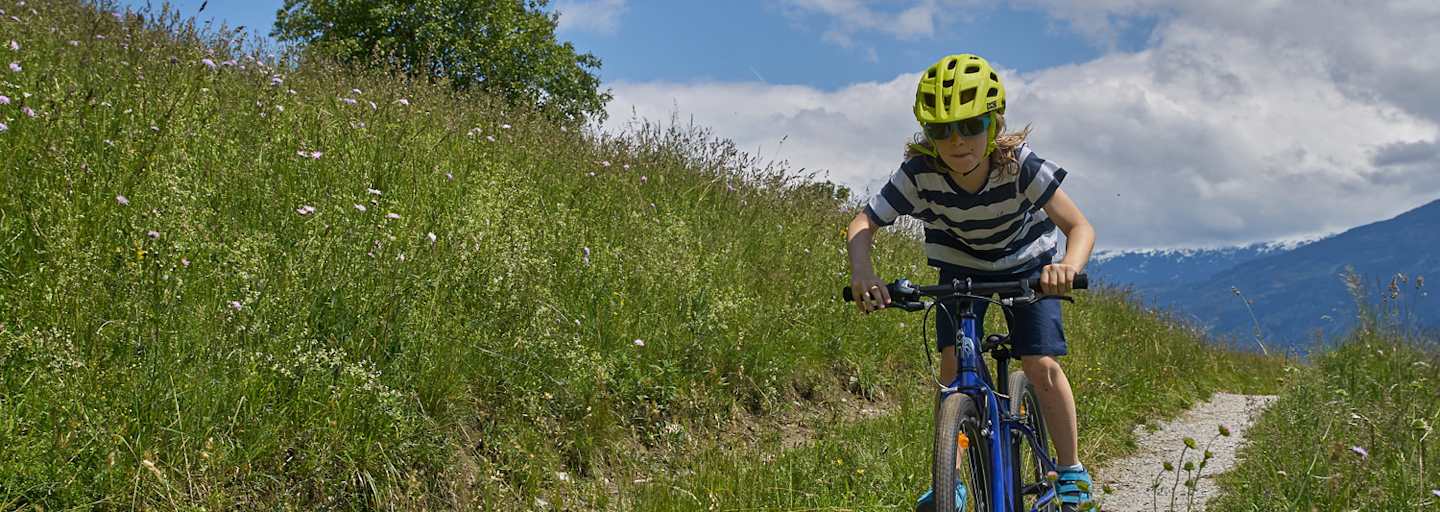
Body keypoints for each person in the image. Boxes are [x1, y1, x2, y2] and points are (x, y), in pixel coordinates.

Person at [845, 53, 1097, 511]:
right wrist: (863, 271)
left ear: (994, 124)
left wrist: (1067, 268)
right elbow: (864, 222)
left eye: (972, 125)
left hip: (1027, 267)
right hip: (960, 269)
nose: (957, 140)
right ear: (927, 134)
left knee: (1039, 364)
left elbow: (1079, 227)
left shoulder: (1019, 166)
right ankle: (954, 482)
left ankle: (1071, 470)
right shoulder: (919, 175)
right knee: (953, 369)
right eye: (941, 130)